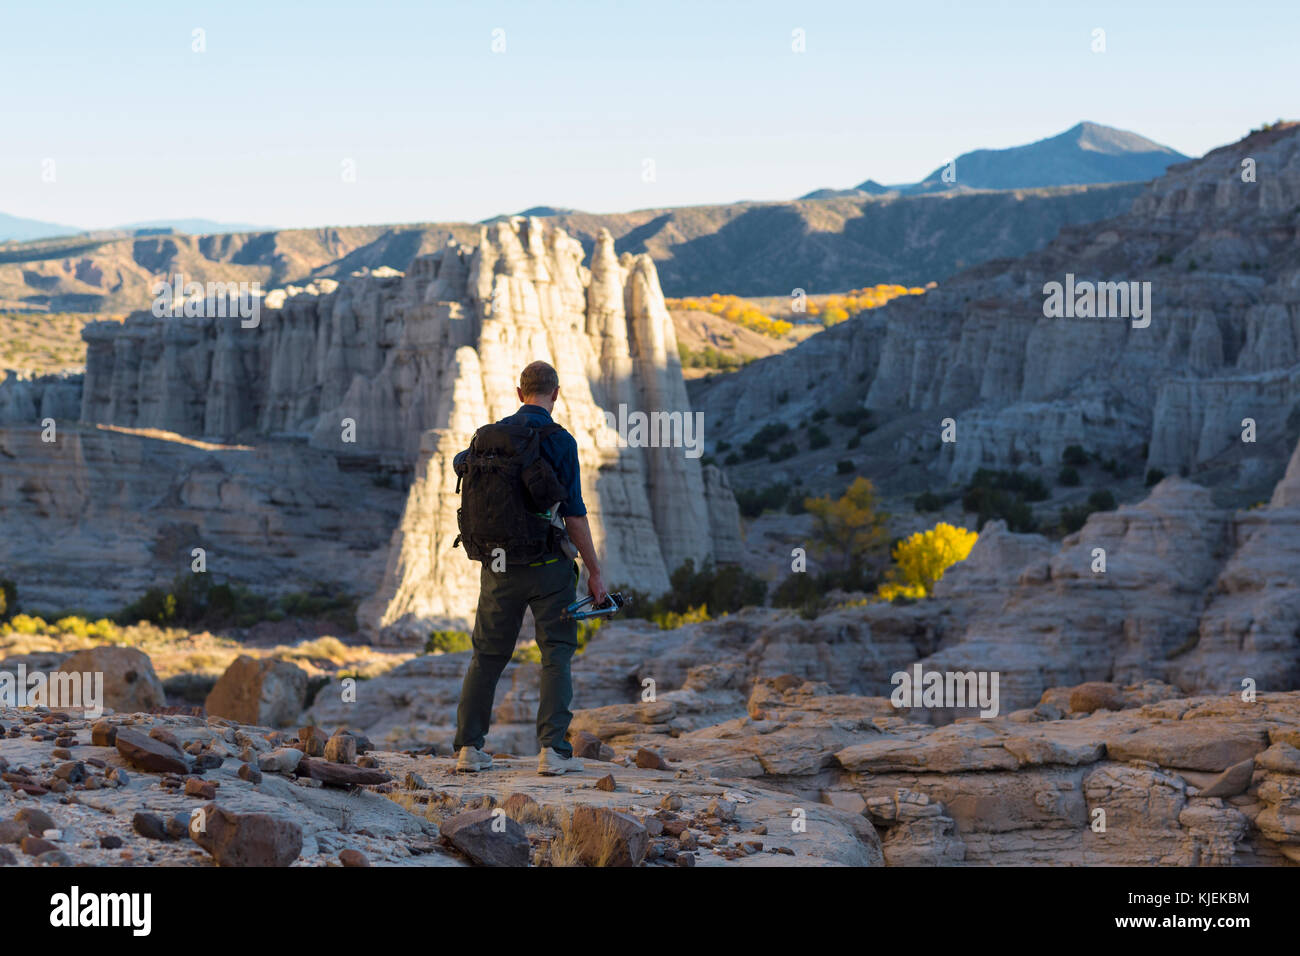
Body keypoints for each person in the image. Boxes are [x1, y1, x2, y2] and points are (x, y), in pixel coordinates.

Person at [451, 360, 608, 775]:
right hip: (549, 568)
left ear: (519, 393)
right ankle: (552, 753)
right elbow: (573, 514)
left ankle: (469, 748)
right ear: (555, 394)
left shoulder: (487, 436)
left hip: (498, 566)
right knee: (555, 654)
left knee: (486, 655)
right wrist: (594, 570)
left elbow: (459, 465)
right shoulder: (561, 441)